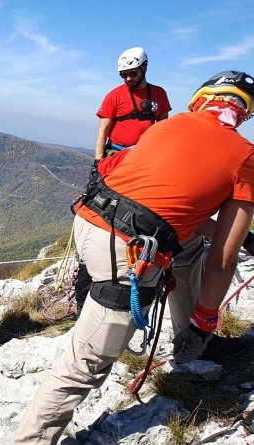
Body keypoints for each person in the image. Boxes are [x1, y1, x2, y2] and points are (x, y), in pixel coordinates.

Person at [13, 70, 254, 445]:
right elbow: (224, 259)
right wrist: (206, 320)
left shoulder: (168, 126)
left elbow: (174, 207)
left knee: (190, 245)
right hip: (129, 253)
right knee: (83, 366)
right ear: (243, 114)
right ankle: (29, 444)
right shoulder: (245, 155)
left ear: (202, 100)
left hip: (91, 222)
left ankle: (188, 346)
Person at [74, 47, 173, 315]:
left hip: (145, 160)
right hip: (116, 158)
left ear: (144, 69)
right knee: (104, 211)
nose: (128, 78)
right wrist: (98, 163)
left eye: (132, 73)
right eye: (124, 75)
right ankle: (85, 288)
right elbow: (103, 131)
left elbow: (163, 129)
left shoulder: (159, 95)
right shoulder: (115, 96)